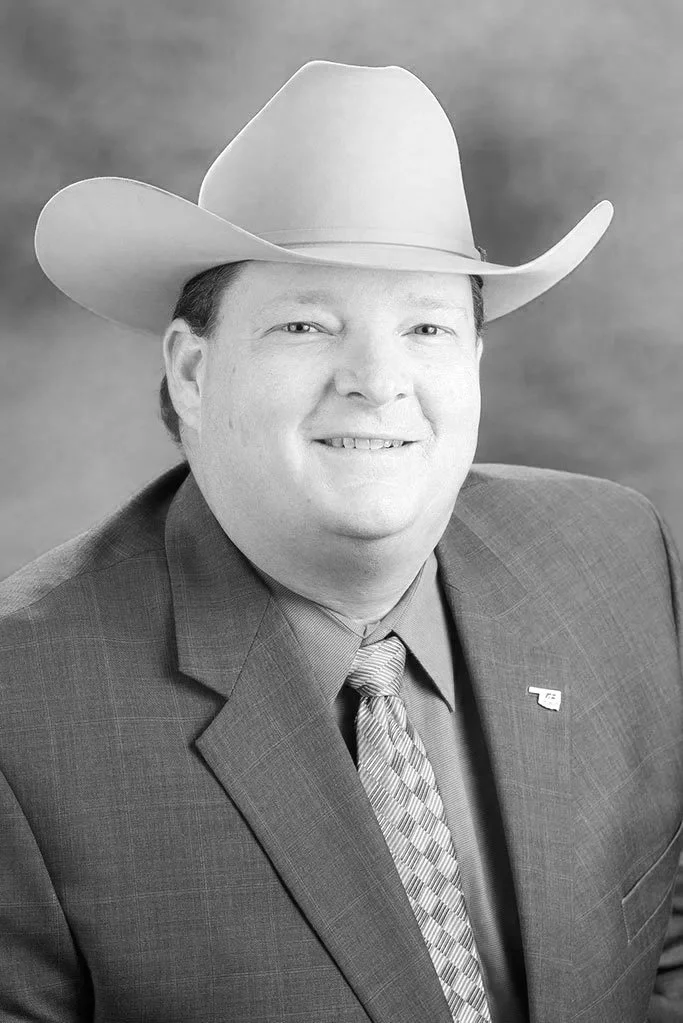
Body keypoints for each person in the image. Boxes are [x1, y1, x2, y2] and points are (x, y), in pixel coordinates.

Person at [1, 59, 681, 1023]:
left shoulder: (610, 557)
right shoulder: (22, 711)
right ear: (194, 370)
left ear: (475, 361)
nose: (377, 378)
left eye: (427, 327)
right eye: (305, 324)